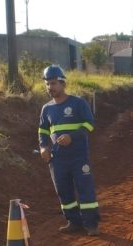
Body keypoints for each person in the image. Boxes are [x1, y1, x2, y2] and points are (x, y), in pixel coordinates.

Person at [38, 65, 100, 236]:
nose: (50, 87)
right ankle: (73, 221)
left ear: (62, 83)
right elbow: (43, 130)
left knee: (85, 188)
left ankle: (91, 224)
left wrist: (72, 137)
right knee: (63, 191)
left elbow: (90, 124)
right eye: (47, 84)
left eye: (53, 83)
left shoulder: (78, 103)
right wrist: (43, 147)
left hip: (79, 156)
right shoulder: (46, 109)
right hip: (57, 159)